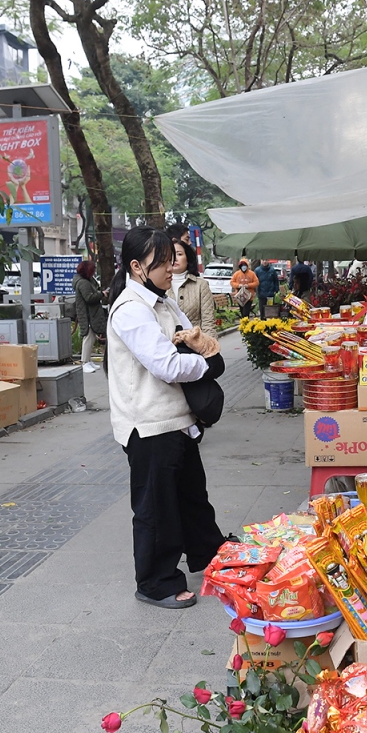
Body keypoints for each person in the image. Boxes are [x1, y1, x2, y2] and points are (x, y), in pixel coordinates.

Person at [106, 226, 228, 609]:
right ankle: (156, 581)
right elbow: (165, 365)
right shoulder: (130, 309)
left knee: (192, 496)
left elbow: (184, 337)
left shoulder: (163, 301)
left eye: (172, 260)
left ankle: (208, 552)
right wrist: (206, 364)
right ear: (137, 267)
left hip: (176, 418)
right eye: (162, 263)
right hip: (148, 424)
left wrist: (196, 348)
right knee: (156, 508)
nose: (171, 268)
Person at [168, 235, 217, 338]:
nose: (174, 258)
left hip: (196, 345)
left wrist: (210, 349)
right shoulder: (158, 285)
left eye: (179, 254)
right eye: (170, 254)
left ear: (187, 258)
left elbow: (208, 322)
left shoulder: (201, 285)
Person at [72, 260, 107, 374]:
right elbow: (89, 298)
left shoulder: (84, 281)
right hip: (87, 315)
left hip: (88, 314)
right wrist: (102, 294)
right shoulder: (83, 283)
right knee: (88, 337)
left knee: (90, 337)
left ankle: (87, 360)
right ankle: (84, 362)